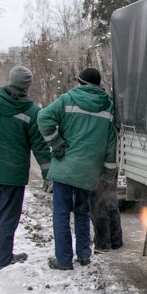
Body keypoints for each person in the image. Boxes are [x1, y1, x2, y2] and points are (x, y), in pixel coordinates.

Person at [0, 65, 51, 269]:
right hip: (13, 174)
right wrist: (47, 173)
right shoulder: (32, 112)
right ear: (28, 86)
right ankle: (3, 258)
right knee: (7, 215)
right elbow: (40, 146)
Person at [37, 67, 117, 270]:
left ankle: (63, 260)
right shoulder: (107, 107)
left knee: (61, 215)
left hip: (65, 169)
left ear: (80, 82)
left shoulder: (67, 99)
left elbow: (43, 118)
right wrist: (108, 174)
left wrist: (55, 143)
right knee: (82, 212)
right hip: (89, 172)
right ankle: (84, 255)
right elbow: (110, 145)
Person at [89, 166, 123, 252]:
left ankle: (102, 244)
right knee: (111, 203)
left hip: (98, 168)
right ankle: (115, 241)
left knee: (97, 206)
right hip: (112, 167)